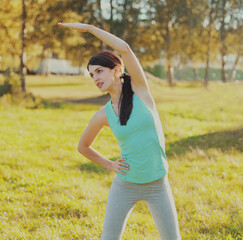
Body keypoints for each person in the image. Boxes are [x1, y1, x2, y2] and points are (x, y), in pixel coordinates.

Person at [58, 22, 181, 240]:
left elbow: (124, 48)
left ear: (117, 70)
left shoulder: (140, 91)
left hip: (158, 184)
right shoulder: (103, 114)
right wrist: (109, 164)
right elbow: (83, 147)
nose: (95, 78)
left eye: (99, 71)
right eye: (91, 74)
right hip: (125, 185)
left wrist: (89, 29)